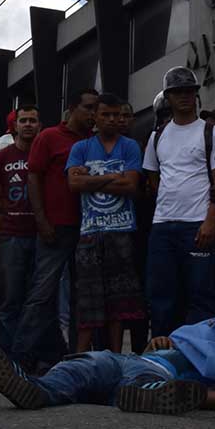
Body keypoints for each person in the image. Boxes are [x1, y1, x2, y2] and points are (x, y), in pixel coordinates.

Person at [0, 314, 215, 414]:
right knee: (81, 368)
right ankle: (35, 389)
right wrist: (158, 341)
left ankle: (148, 394)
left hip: (156, 373)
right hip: (128, 360)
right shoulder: (194, 338)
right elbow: (195, 337)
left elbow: (208, 390)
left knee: (141, 381)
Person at [11, 90, 96, 370]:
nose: (92, 114)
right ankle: (20, 359)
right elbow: (32, 179)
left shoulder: (92, 141)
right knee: (42, 293)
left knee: (82, 296)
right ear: (72, 109)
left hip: (88, 230)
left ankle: (72, 360)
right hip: (55, 228)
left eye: (96, 109)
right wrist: (42, 221)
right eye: (88, 108)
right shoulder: (48, 137)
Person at [143, 68, 215, 338]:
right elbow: (153, 177)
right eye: (178, 91)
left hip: (197, 227)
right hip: (162, 227)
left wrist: (210, 221)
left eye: (190, 90)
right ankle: (164, 364)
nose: (185, 96)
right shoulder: (157, 137)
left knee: (201, 295)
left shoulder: (211, 133)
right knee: (161, 297)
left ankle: (200, 356)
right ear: (168, 96)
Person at [66, 93, 144, 353]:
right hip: (89, 234)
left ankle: (115, 357)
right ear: (95, 117)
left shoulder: (130, 145)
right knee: (87, 302)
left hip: (122, 232)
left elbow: (131, 185)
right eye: (105, 114)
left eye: (116, 114)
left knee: (119, 305)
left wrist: (92, 178)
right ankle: (78, 359)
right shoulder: (81, 148)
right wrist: (113, 178)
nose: (111, 119)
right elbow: (74, 183)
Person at [0, 105, 40, 349]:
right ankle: (7, 356)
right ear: (16, 125)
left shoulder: (43, 153)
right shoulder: (2, 157)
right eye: (24, 120)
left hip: (41, 235)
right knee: (10, 298)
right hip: (12, 234)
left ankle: (30, 353)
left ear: (39, 124)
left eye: (33, 120)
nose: (28, 124)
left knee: (37, 299)